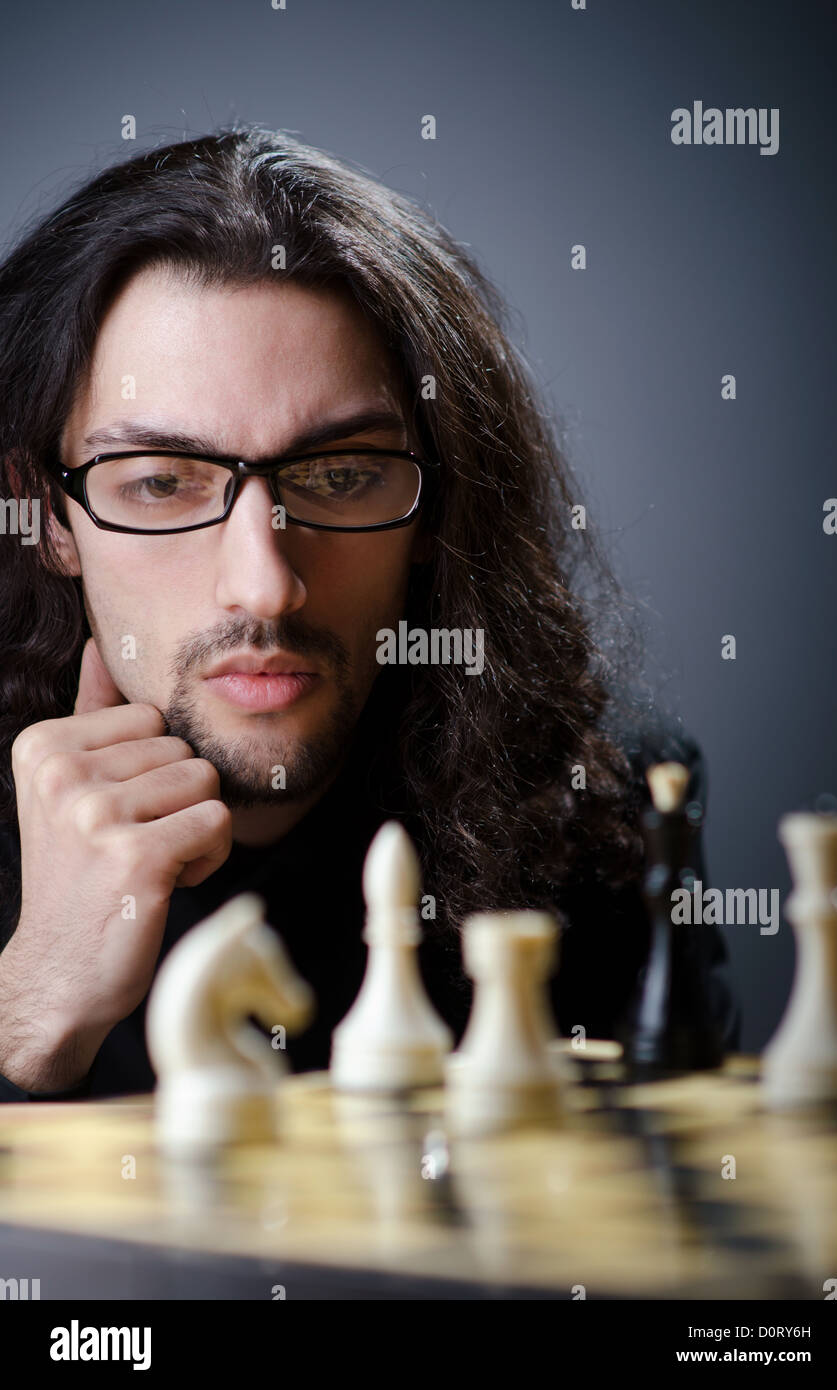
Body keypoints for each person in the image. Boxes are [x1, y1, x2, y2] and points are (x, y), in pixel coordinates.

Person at [0, 126, 739, 1101]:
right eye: (162, 482)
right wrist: (29, 1010)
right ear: (50, 513)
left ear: (437, 502)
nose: (263, 586)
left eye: (342, 475)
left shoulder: (603, 803)